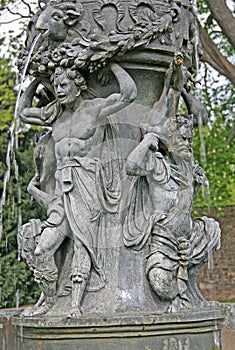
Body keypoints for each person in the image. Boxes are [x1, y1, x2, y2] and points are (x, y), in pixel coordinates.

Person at [19, 62, 137, 316]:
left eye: (64, 85)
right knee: (42, 249)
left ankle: (75, 305)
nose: (59, 90)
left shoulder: (93, 109)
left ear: (78, 84)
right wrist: (37, 80)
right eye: (57, 86)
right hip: (62, 192)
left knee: (83, 243)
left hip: (88, 187)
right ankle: (50, 300)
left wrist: (112, 64)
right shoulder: (55, 115)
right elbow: (22, 113)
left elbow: (129, 93)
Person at [124, 114, 220, 312]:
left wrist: (196, 186)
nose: (187, 143)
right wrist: (149, 139)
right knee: (160, 282)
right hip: (164, 240)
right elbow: (131, 167)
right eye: (181, 139)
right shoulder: (158, 164)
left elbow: (184, 206)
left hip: (187, 238)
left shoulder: (187, 169)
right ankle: (179, 296)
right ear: (169, 141)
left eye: (189, 139)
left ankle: (189, 289)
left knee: (212, 229)